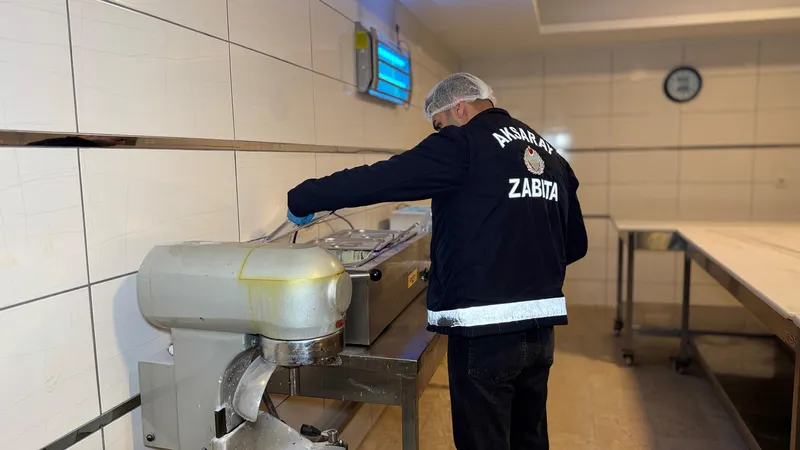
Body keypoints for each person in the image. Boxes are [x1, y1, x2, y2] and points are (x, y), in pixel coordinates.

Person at [286, 73, 588, 450]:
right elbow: (575, 245)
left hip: (484, 331)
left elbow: (383, 178)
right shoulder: (550, 155)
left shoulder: (465, 142)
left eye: (438, 124)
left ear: (458, 108)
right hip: (541, 330)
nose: (440, 132)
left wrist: (305, 197)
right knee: (529, 437)